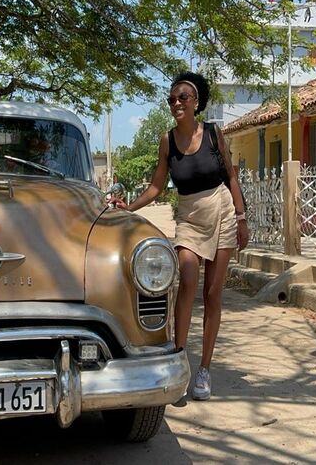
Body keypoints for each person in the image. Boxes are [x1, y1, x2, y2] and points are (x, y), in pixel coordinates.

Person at [110, 71, 249, 401]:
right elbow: (156, 186)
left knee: (212, 294)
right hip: (188, 217)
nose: (176, 103)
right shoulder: (167, 141)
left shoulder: (214, 133)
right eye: (172, 99)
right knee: (186, 279)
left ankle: (204, 370)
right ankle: (178, 360)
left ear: (196, 102)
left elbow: (231, 177)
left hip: (222, 211)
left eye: (183, 98)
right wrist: (129, 207)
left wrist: (241, 217)